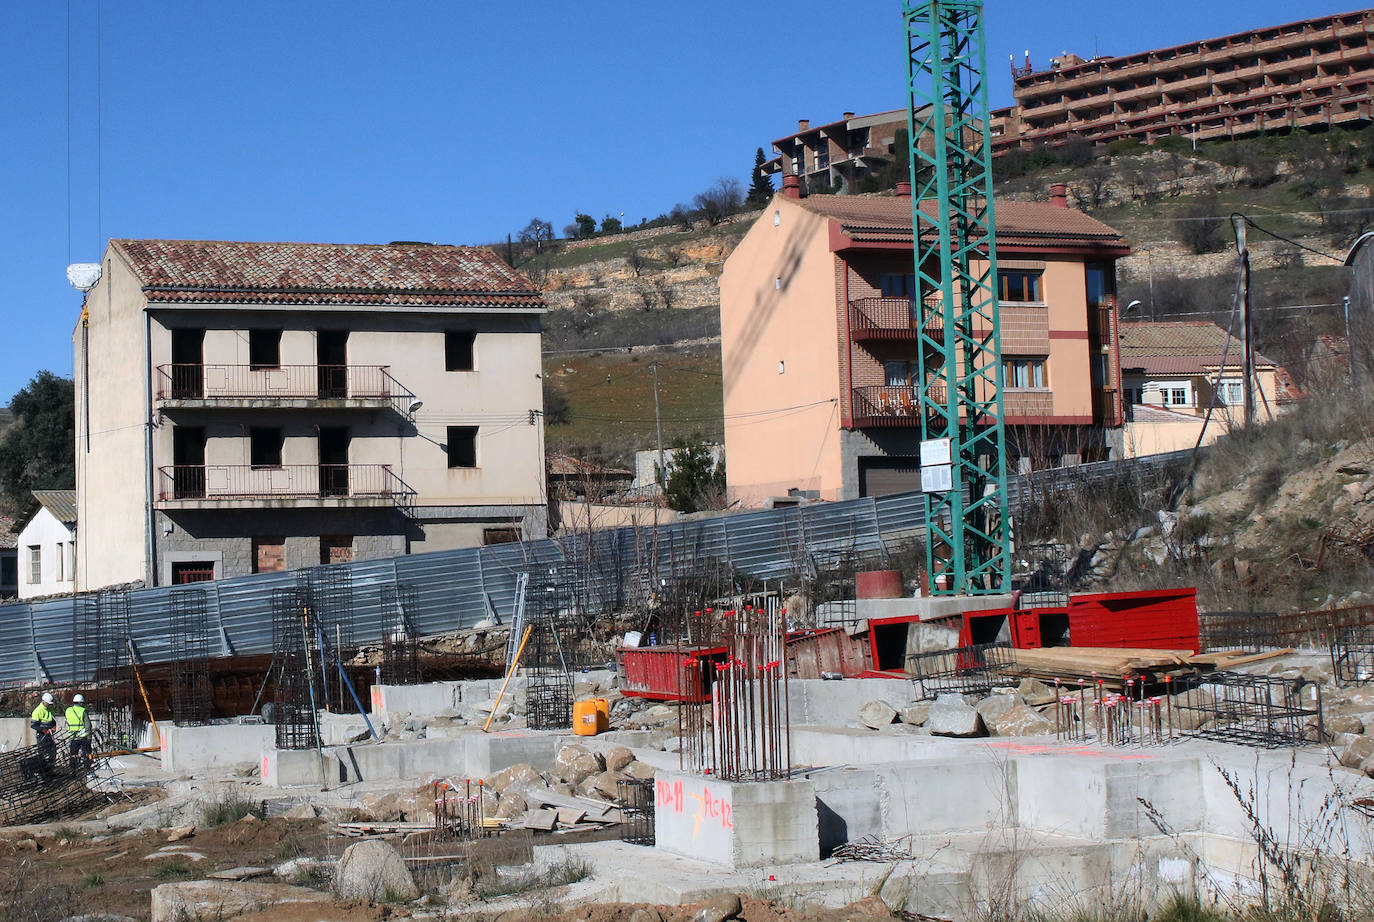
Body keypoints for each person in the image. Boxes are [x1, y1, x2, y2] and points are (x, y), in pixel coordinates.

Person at [30, 692, 57, 770]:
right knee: (42, 751)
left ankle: (50, 768)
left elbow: (53, 720)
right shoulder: (38, 711)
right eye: (48, 703)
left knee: (52, 750)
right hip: (42, 734)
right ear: (44, 702)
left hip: (49, 733)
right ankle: (42, 769)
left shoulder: (50, 708)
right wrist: (43, 730)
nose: (50, 705)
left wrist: (54, 726)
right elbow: (33, 725)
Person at [65, 693, 91, 774]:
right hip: (83, 736)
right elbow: (88, 725)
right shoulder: (82, 711)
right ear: (81, 703)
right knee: (87, 753)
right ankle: (87, 769)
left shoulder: (68, 710)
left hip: (72, 737)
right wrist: (89, 737)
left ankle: (72, 770)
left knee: (73, 755)